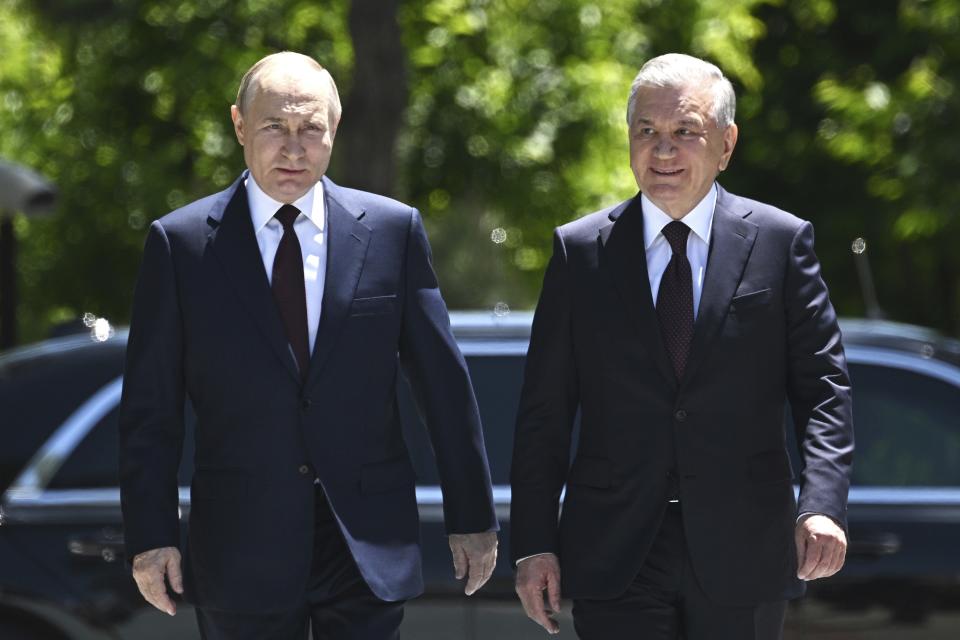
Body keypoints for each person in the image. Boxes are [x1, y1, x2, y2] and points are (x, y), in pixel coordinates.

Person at [118, 51, 498, 640]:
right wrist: (151, 535)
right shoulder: (181, 245)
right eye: (274, 127)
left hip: (365, 538)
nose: (293, 148)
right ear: (240, 126)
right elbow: (151, 409)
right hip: (241, 541)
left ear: (334, 129)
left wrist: (472, 516)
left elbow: (443, 386)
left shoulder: (393, 232)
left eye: (310, 128)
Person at [510, 53, 854, 639]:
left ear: (726, 144)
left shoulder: (780, 242)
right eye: (647, 131)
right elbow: (544, 413)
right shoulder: (580, 252)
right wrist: (534, 544)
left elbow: (823, 390)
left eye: (685, 132)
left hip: (742, 548)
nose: (663, 151)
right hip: (615, 551)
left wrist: (820, 503)